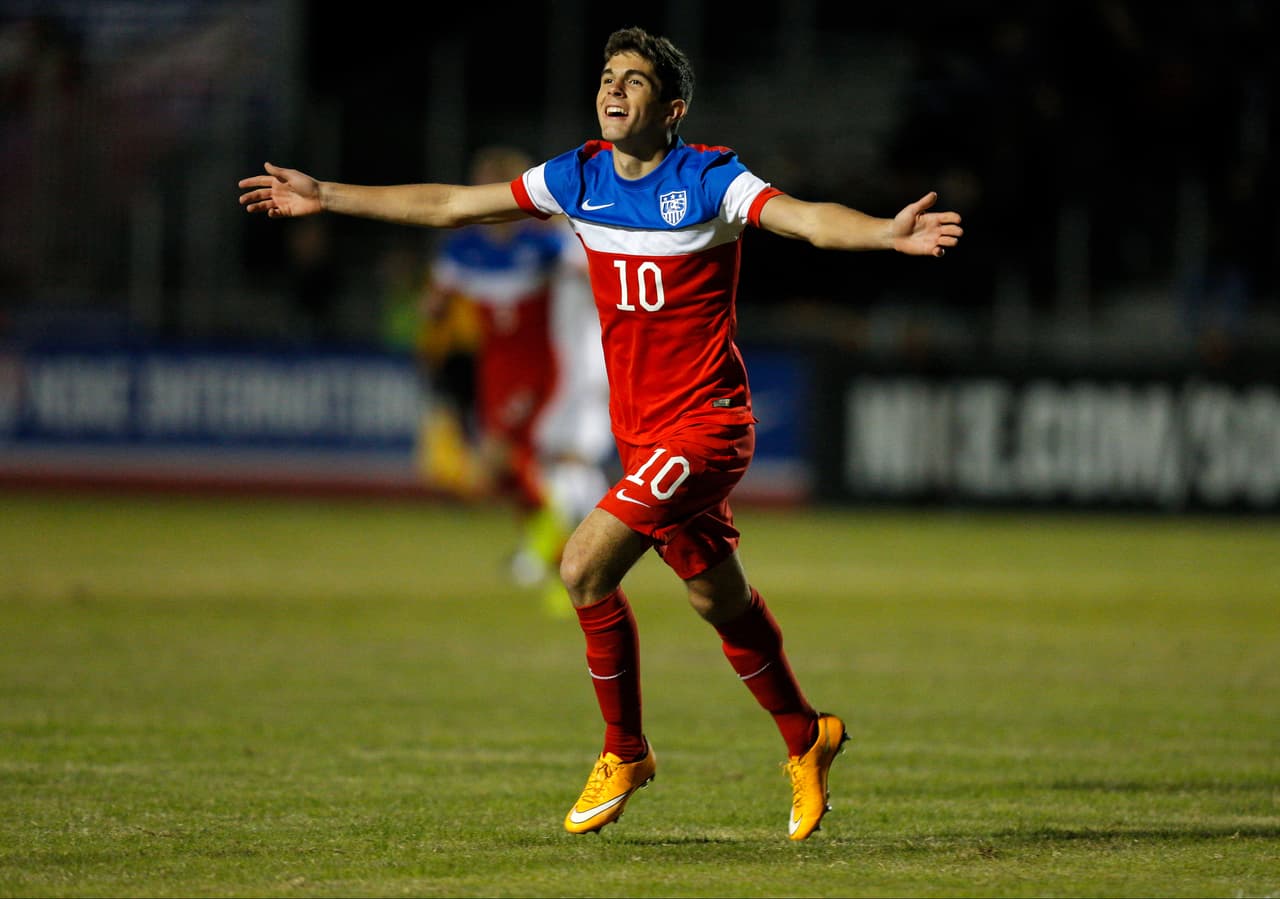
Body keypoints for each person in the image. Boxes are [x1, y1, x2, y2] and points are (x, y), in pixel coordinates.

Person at [238, 24, 963, 840]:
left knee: (581, 566)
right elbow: (448, 204)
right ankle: (807, 735)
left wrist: (881, 230)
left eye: (635, 80)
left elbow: (803, 221)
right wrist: (326, 194)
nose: (614, 88)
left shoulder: (711, 179)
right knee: (714, 595)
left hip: (709, 426)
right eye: (607, 75)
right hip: (644, 438)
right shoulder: (574, 177)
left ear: (672, 107)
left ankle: (627, 750)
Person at [422, 145, 586, 604]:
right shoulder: (463, 246)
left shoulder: (544, 242)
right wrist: (432, 312)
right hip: (493, 369)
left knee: (499, 458)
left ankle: (560, 559)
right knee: (509, 471)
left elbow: (593, 268)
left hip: (535, 367)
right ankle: (561, 559)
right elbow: (435, 301)